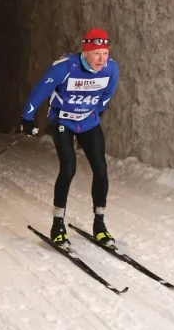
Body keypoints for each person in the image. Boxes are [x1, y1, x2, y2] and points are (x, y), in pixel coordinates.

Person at [20, 28, 119, 248]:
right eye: (96, 54)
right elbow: (40, 91)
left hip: (88, 122)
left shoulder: (110, 69)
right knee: (69, 167)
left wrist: (94, 113)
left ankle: (100, 224)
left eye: (105, 53)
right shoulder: (65, 67)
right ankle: (57, 225)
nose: (101, 59)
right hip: (63, 122)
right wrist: (27, 117)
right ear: (85, 52)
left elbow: (106, 96)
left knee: (101, 169)